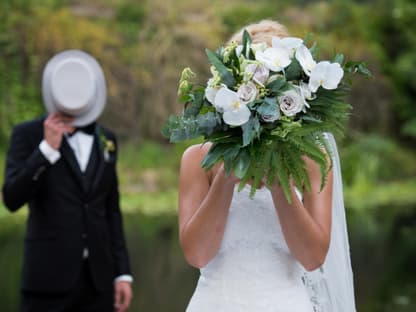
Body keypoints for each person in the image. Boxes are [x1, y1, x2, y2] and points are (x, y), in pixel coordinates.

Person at [178, 20, 356, 311]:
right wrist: (225, 178)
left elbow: (312, 259)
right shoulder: (198, 160)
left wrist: (278, 183)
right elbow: (197, 255)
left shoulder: (314, 160)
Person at [2, 50, 133, 312]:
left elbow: (111, 210)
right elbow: (12, 198)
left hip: (99, 282)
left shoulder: (106, 138)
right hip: (46, 281)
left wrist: (122, 273)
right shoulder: (27, 135)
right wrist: (46, 151)